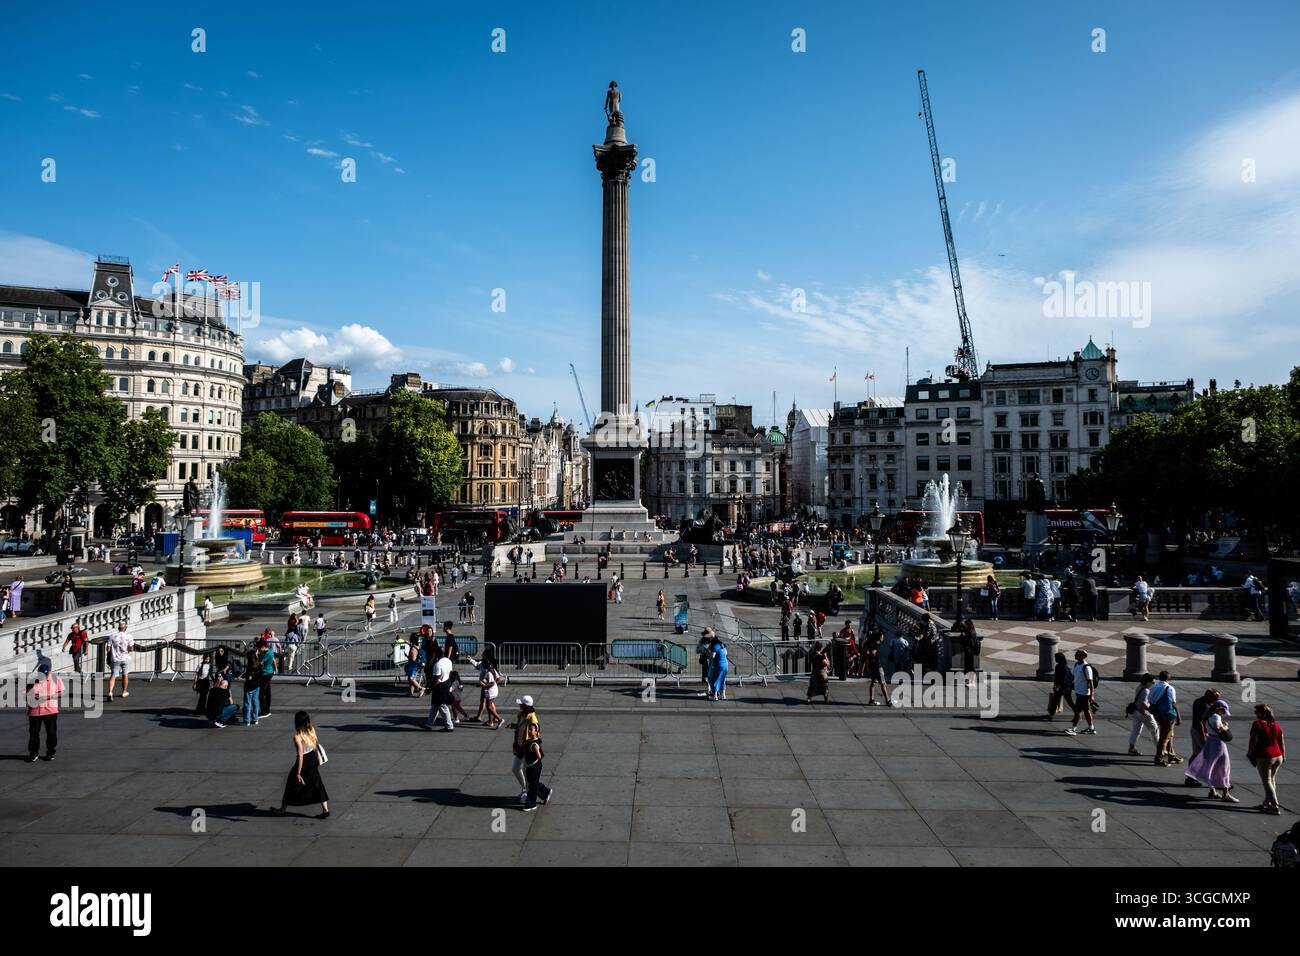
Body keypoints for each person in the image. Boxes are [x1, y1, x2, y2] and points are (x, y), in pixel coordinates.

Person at [270, 711, 331, 819]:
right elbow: (315, 742)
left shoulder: (297, 737)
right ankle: (325, 809)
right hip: (313, 758)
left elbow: (300, 756)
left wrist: (298, 773)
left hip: (305, 761)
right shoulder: (311, 729)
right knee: (317, 782)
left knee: (290, 783)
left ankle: (283, 809)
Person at [1185, 700, 1238, 802]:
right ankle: (1225, 794)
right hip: (1218, 743)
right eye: (1223, 711)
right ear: (1219, 709)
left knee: (1212, 767)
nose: (1224, 713)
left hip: (1210, 741)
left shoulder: (1208, 716)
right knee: (1224, 767)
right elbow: (1218, 728)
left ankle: (1212, 791)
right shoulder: (1216, 717)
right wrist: (1226, 727)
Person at [1247, 704, 1285, 815]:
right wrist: (1284, 755)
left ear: (1262, 713)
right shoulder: (1275, 725)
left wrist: (1250, 752)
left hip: (1265, 756)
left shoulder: (1257, 724)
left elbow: (1254, 740)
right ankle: (1267, 801)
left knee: (1266, 780)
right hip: (1278, 756)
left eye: (1256, 712)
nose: (1255, 715)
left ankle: (1274, 806)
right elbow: (1281, 740)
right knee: (1272, 779)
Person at [25, 660, 63, 763]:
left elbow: (61, 693)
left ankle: (50, 752)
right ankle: (33, 753)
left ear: (49, 673)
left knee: (51, 733)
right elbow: (26, 695)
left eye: (45, 675)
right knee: (33, 733)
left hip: (50, 710)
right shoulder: (32, 681)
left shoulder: (55, 679)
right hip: (35, 711)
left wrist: (49, 697)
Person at [520, 707, 552, 812]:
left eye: (531, 730)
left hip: (534, 765)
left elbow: (539, 756)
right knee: (532, 783)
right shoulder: (534, 740)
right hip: (533, 765)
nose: (529, 730)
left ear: (536, 731)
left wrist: (533, 755)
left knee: (532, 785)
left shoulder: (533, 744)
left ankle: (531, 804)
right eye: (529, 729)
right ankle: (545, 792)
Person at [509, 695, 540, 804]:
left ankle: (527, 792)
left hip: (527, 750)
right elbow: (521, 727)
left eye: (521, 704)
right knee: (515, 768)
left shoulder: (532, 718)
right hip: (519, 746)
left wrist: (528, 747)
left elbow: (535, 735)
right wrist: (514, 726)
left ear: (525, 705)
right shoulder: (521, 714)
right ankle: (525, 789)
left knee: (527, 772)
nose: (519, 705)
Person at [1148, 671, 1181, 766]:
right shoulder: (1169, 688)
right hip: (1168, 715)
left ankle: (1171, 755)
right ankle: (1159, 758)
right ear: (1168, 679)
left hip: (1158, 714)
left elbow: (1150, 700)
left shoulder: (1154, 687)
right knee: (1164, 738)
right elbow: (1174, 703)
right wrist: (1179, 717)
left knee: (1168, 734)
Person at [423, 641, 455, 732]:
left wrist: (429, 688)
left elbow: (435, 679)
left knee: (442, 706)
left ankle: (449, 726)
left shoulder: (437, 665)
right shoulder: (448, 661)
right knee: (435, 706)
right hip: (447, 683)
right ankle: (429, 724)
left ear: (436, 654)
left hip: (440, 687)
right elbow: (450, 672)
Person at [1126, 673, 1159, 756]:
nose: (1154, 684)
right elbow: (1144, 704)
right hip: (1143, 713)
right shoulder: (1146, 691)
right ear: (1148, 682)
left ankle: (1131, 748)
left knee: (1136, 730)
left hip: (1136, 712)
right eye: (1153, 682)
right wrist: (1152, 711)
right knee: (1155, 730)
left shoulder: (1139, 687)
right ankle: (1160, 750)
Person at [1065, 650, 1097, 735]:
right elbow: (1073, 676)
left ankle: (1073, 729)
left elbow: (1091, 682)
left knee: (1078, 710)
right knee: (1086, 710)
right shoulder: (1076, 665)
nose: (1075, 655)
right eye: (1076, 654)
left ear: (1083, 656)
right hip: (1078, 691)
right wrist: (1069, 685)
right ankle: (1091, 728)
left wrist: (1092, 695)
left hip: (1084, 693)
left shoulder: (1086, 667)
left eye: (1077, 654)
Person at [107, 622, 133, 702]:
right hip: (125, 658)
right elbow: (131, 648)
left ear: (118, 628)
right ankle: (124, 691)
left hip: (115, 659)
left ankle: (110, 692)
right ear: (125, 628)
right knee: (125, 675)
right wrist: (127, 650)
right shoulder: (129, 636)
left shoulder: (112, 636)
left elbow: (108, 649)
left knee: (113, 675)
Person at [805, 640, 831, 705]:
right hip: (821, 672)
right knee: (825, 686)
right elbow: (827, 664)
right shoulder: (820, 656)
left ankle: (809, 699)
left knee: (812, 686)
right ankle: (826, 699)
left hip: (814, 672)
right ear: (821, 648)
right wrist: (826, 656)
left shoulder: (812, 654)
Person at [258, 638, 276, 718]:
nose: (259, 650)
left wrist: (257, 656)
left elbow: (260, 663)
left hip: (266, 673)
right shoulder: (271, 651)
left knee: (261, 693)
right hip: (270, 672)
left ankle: (264, 711)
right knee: (268, 692)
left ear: (262, 647)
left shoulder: (267, 654)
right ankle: (267, 710)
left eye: (259, 648)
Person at [708, 633, 729, 701]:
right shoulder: (722, 645)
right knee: (722, 680)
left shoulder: (715, 646)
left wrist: (709, 655)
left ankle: (715, 696)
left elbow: (712, 657)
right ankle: (723, 695)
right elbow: (726, 654)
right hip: (725, 665)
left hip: (719, 665)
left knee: (715, 680)